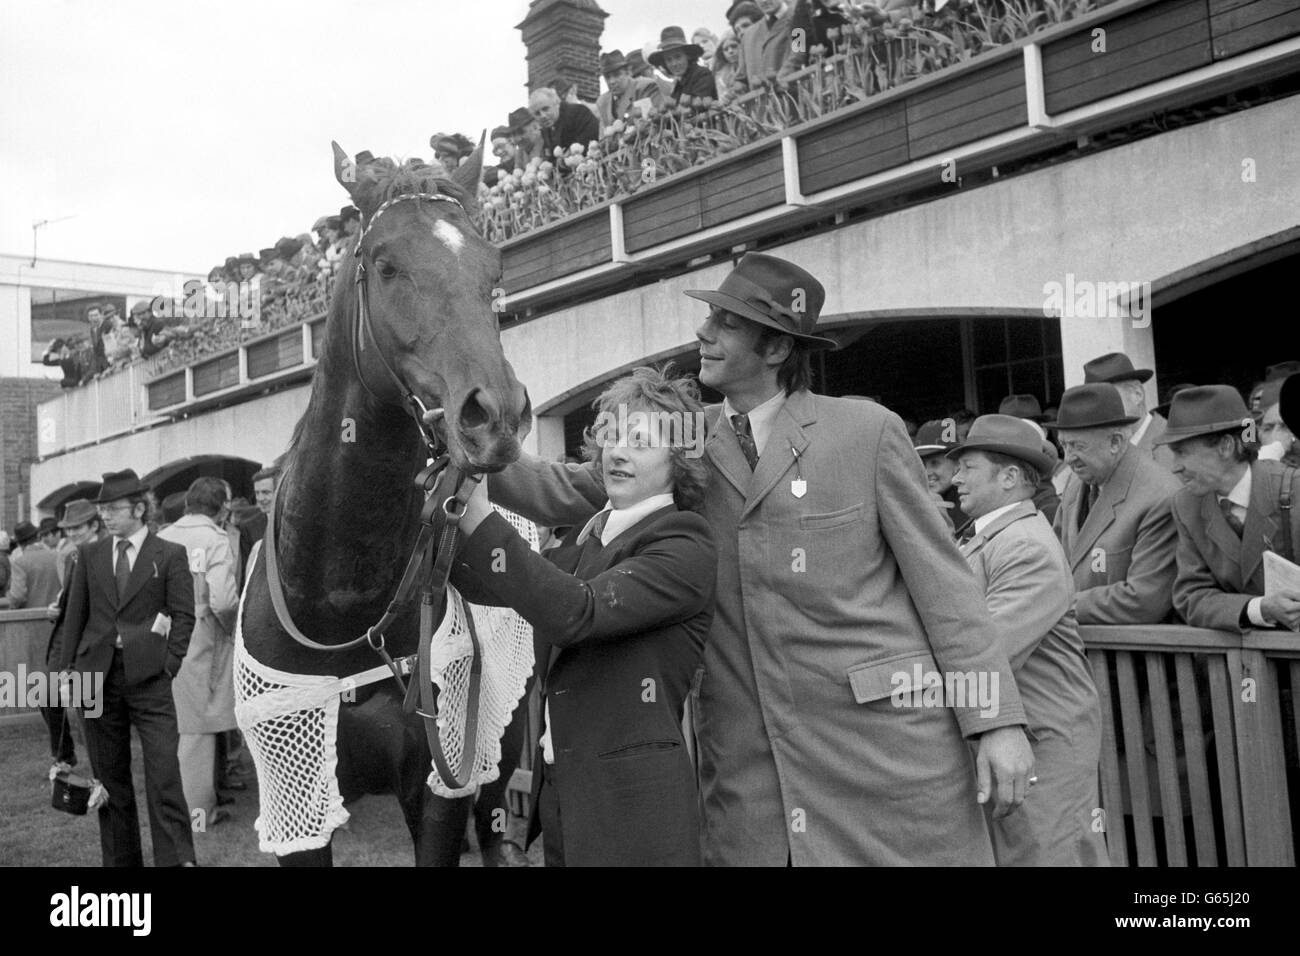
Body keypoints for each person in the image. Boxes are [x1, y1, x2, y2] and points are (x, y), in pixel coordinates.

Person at [486, 252, 1034, 865]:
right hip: (748, 776)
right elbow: (560, 486)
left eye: (726, 323)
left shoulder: (867, 431)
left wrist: (996, 720)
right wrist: (462, 444)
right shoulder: (685, 441)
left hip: (884, 759)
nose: (703, 333)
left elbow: (947, 589)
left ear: (776, 350)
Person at [454, 366, 716, 866]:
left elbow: (577, 611)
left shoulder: (685, 543)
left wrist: (481, 519)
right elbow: (493, 584)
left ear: (679, 461)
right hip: (562, 804)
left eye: (639, 441)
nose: (618, 451)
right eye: (611, 436)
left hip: (634, 816)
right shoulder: (588, 543)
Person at [948, 415, 1107, 866]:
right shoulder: (993, 536)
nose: (955, 478)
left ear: (1011, 477)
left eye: (968, 467)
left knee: (1051, 854)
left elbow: (986, 649)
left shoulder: (1024, 545)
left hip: (1044, 738)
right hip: (1021, 734)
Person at [58, 469, 197, 867]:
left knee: (164, 773)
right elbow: (75, 617)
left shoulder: (169, 554)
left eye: (113, 508)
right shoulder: (88, 555)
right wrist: (68, 670)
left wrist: (169, 665)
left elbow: (184, 617)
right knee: (110, 778)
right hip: (95, 681)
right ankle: (121, 861)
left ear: (139, 508)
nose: (105, 516)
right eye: (102, 509)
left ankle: (176, 860)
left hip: (151, 680)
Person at [1160, 386, 1300, 632]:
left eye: (1181, 453)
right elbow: (1191, 596)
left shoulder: (1294, 490)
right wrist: (1258, 608)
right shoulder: (1186, 505)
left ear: (1225, 446)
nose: (1175, 467)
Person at [1051, 384, 1181, 624]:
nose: (1068, 458)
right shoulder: (1075, 488)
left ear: (1116, 442)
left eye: (1078, 446)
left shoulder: (1159, 496)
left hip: (1136, 656)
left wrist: (1055, 607)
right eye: (1064, 446)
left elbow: (1145, 600)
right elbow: (1056, 567)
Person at [158, 477, 239, 828]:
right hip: (199, 631)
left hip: (159, 632)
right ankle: (198, 816)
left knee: (170, 725)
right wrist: (232, 627)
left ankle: (178, 807)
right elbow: (222, 598)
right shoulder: (215, 539)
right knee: (197, 729)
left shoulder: (162, 535)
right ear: (222, 507)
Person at [43, 499, 103, 775]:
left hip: (92, 642)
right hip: (66, 638)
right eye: (69, 528)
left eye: (78, 527)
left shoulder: (107, 554)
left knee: (91, 710)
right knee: (46, 697)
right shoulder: (72, 557)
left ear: (94, 525)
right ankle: (65, 755)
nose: (73, 533)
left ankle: (100, 768)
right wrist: (57, 607)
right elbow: (69, 598)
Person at [1083, 352, 1174, 470]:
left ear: (1138, 394)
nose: (1099, 411)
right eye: (1093, 404)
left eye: (1108, 398)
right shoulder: (1095, 455)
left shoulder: (1173, 447)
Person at [913, 418, 968, 530]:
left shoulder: (972, 507)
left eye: (935, 463)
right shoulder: (910, 505)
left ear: (957, 463)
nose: (927, 472)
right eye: (922, 464)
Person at [732, 0, 795, 94]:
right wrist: (733, 92)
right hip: (763, 105)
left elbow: (799, 54)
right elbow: (741, 78)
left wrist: (778, 79)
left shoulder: (798, 18)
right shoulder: (748, 35)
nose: (764, 1)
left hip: (795, 98)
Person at [595, 50, 665, 129]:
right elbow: (603, 136)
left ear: (628, 72)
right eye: (607, 77)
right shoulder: (602, 102)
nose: (612, 81)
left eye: (617, 75)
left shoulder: (644, 87)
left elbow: (651, 126)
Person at [648, 26, 718, 103]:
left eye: (678, 57)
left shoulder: (702, 75)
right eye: (669, 60)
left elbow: (695, 108)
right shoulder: (678, 84)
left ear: (688, 56)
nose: (674, 63)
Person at [6, 519, 62, 609]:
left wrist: (12, 605)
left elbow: (17, 596)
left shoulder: (20, 563)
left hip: (31, 617)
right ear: (38, 536)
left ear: (19, 544)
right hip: (57, 614)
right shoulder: (57, 556)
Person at [529, 87, 599, 158]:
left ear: (557, 104)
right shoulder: (545, 131)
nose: (543, 116)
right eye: (537, 113)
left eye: (546, 109)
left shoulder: (578, 113)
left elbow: (591, 139)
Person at [712, 31, 743, 101]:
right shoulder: (720, 76)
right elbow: (721, 99)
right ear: (722, 53)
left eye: (734, 46)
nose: (730, 51)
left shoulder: (750, 65)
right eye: (726, 49)